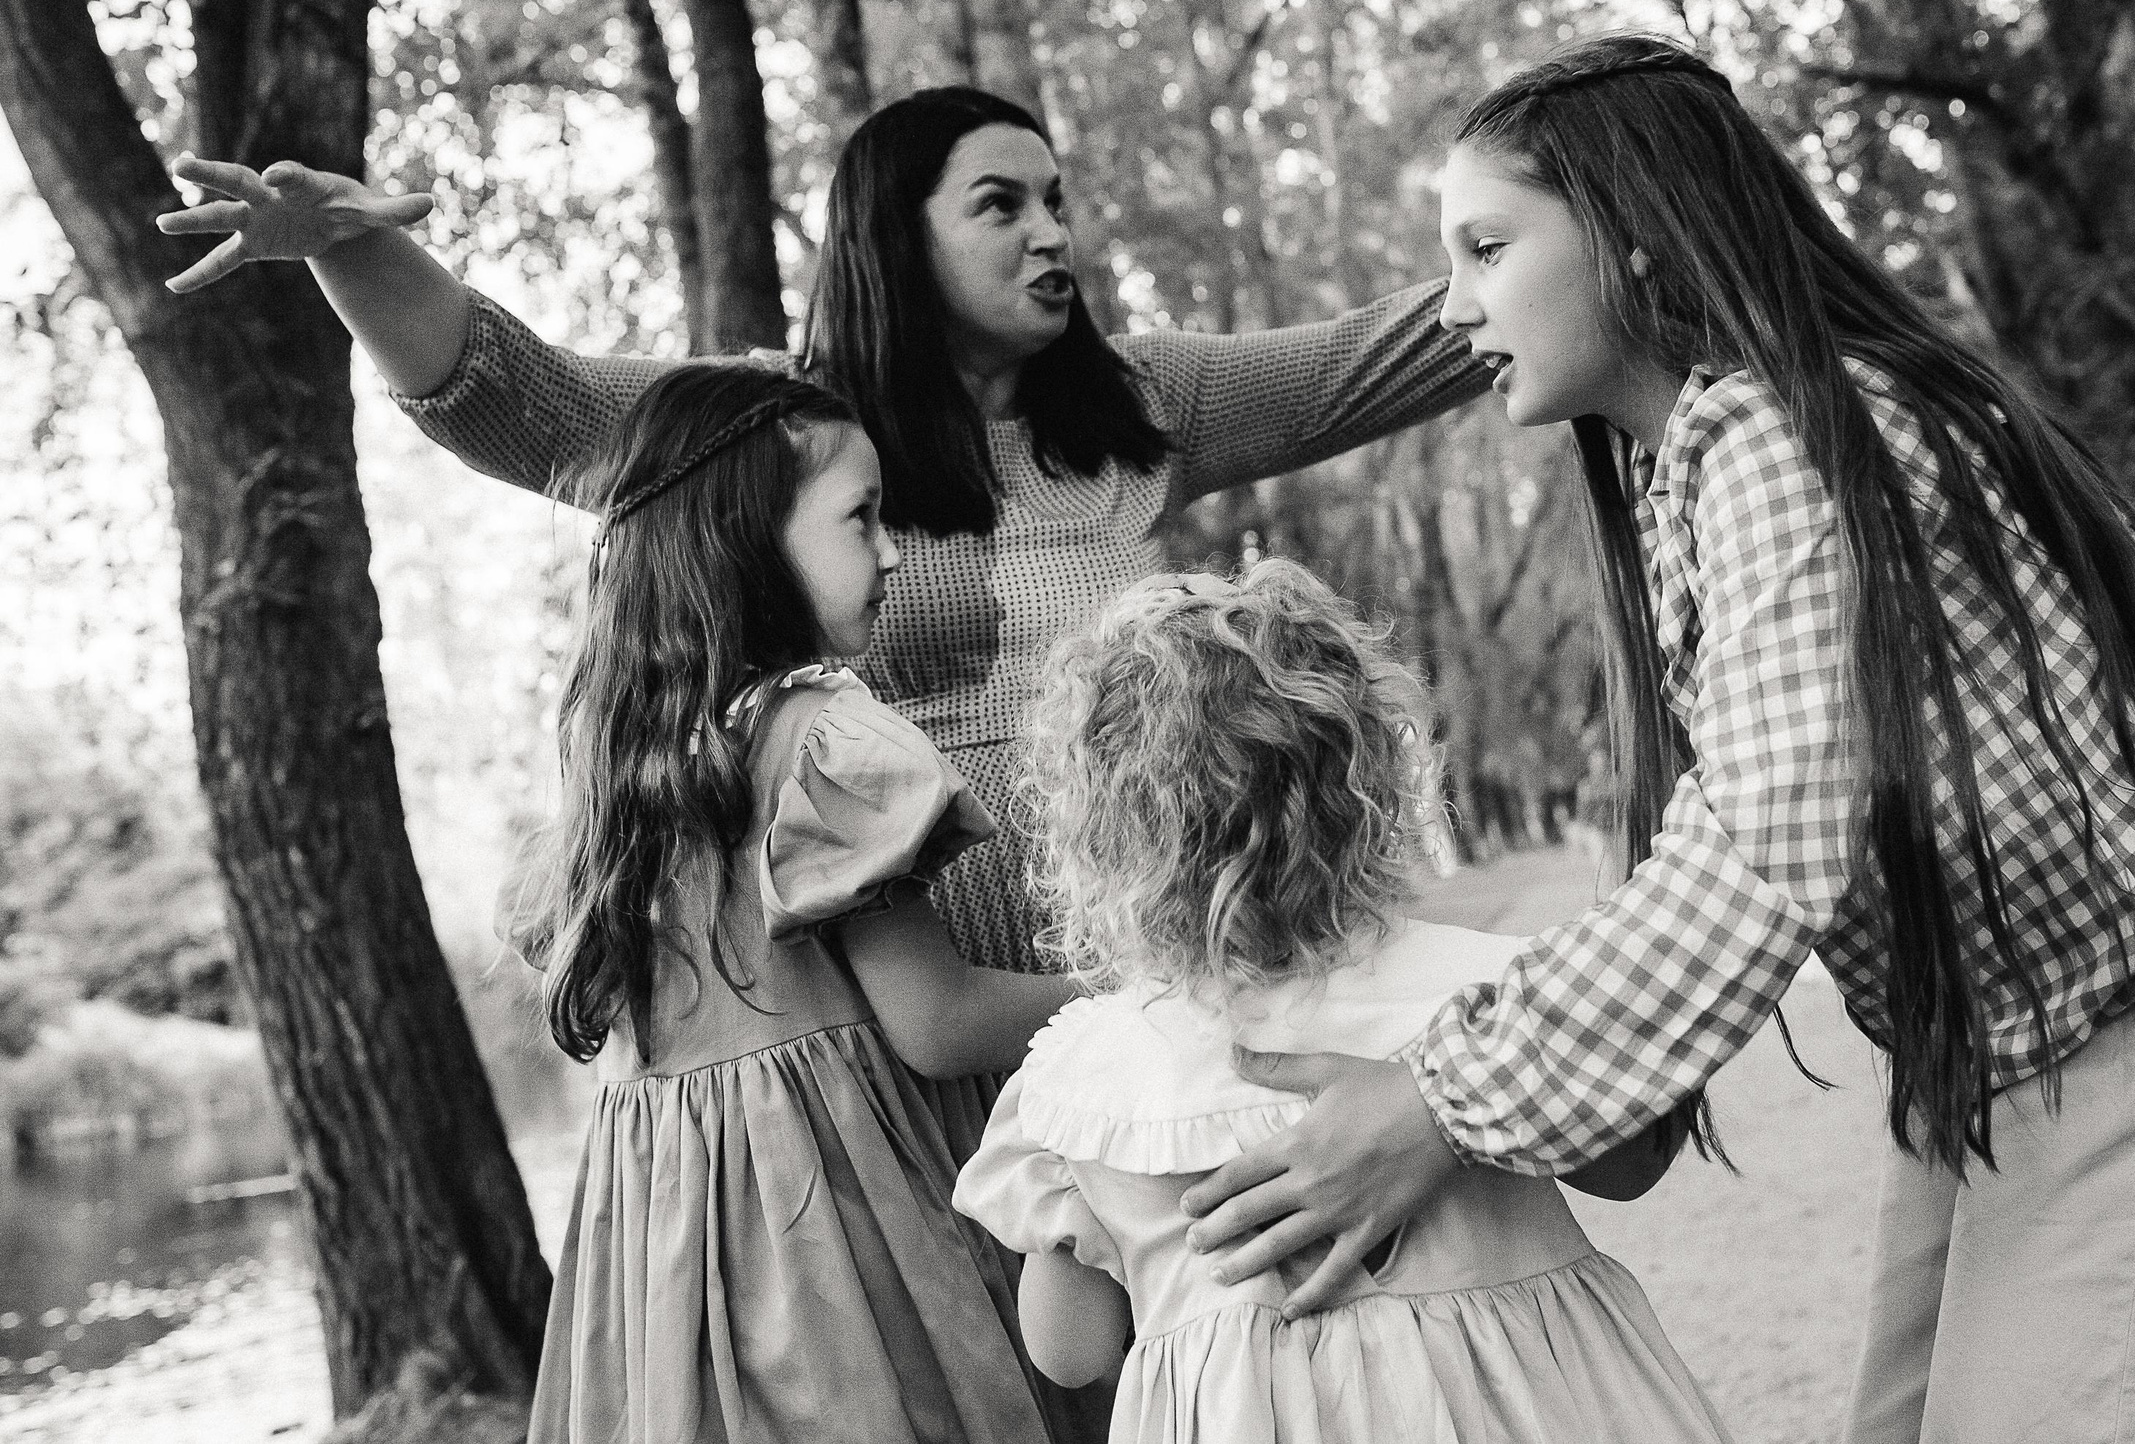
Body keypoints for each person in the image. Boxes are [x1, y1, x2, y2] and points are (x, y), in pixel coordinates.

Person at [1178, 36, 2135, 1444]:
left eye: (1488, 246)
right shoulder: (1703, 461)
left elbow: (1761, 839)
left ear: (1634, 231)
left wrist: (1439, 1101)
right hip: (2021, 1040)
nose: (1452, 308)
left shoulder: (1784, 438)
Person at [155, 86, 1487, 995]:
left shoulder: (1153, 400)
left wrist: (1577, 232)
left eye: (1055, 199)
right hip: (911, 999)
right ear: (894, 242)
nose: (1052, 231)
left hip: (1154, 954)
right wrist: (351, 256)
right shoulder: (783, 430)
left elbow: (1387, 352)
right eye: (1001, 204)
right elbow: (529, 408)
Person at [951, 559, 1733, 1444]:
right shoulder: (1487, 988)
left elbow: (1070, 1348)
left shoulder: (1089, 1077)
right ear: (1367, 786)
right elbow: (1628, 1167)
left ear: (1101, 840)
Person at [499, 359, 1076, 1443]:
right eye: (861, 518)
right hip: (844, 1250)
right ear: (746, 538)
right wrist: (1128, 990)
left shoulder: (625, 776)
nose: (894, 551)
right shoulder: (825, 742)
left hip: (663, 1272)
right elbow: (939, 1022)